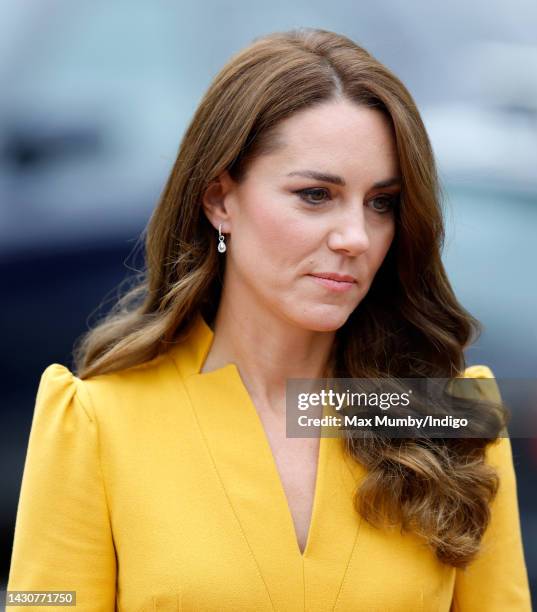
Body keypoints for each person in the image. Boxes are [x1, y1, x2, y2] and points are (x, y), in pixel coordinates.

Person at [7, 28, 532, 611]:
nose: (356, 237)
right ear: (219, 200)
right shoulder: (97, 424)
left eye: (381, 202)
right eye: (315, 195)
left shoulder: (451, 417)